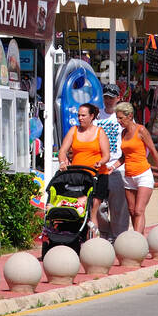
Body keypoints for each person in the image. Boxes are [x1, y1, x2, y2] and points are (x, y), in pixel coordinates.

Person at [56, 102, 111, 237]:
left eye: (83, 115)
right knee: (78, 207)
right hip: (78, 176)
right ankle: (76, 236)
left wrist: (101, 162)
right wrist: (63, 162)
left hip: (97, 175)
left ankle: (92, 241)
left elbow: (106, 155)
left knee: (92, 209)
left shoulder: (99, 132)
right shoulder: (74, 130)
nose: (80, 118)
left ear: (92, 116)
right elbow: (63, 150)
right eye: (78, 115)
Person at [114, 101, 158, 233]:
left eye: (121, 118)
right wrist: (111, 167)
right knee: (132, 211)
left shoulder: (141, 130)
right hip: (129, 175)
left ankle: (136, 241)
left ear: (130, 116)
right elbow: (124, 157)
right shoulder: (123, 133)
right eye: (117, 118)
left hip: (143, 174)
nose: (119, 121)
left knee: (139, 210)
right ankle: (140, 239)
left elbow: (153, 151)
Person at [95, 82, 130, 240]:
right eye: (106, 97)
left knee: (119, 207)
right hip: (100, 167)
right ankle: (105, 234)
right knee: (98, 206)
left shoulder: (122, 117)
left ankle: (119, 238)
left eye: (112, 97)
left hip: (118, 167)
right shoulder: (96, 116)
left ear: (118, 98)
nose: (108, 100)